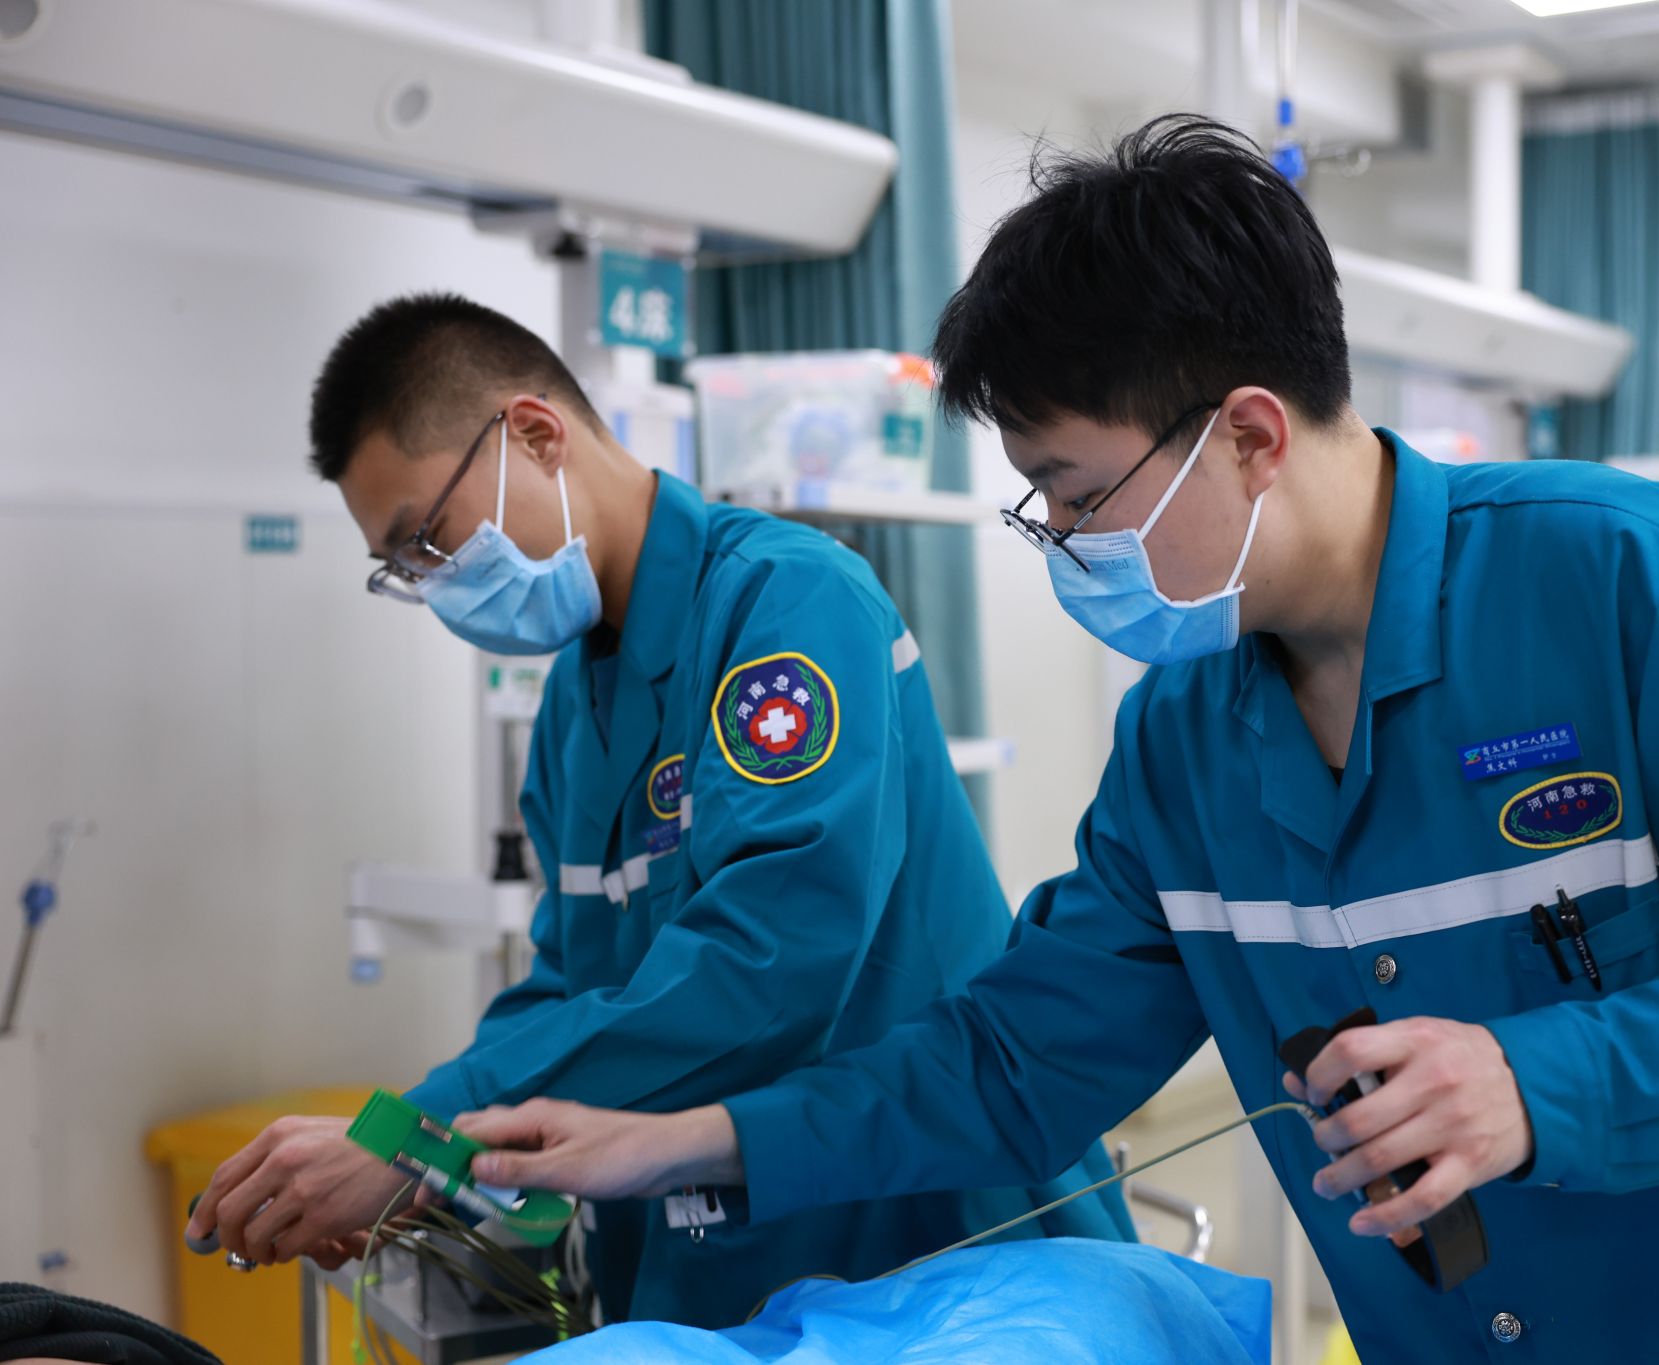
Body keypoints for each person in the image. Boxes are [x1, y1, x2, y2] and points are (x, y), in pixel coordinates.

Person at [453, 118, 1659, 1362]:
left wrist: (1543, 1078)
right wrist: (684, 1142)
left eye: (1077, 494)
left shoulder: (1634, 589)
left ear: (1251, 432)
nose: (1065, 541)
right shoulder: (1187, 748)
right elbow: (1013, 1060)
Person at [182, 294, 1131, 1328]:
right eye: (405, 569)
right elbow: (568, 984)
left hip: (919, 1240)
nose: (438, 585)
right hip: (715, 1261)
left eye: (431, 538)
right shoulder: (574, 707)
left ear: (534, 434)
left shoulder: (786, 603)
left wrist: (422, 1131)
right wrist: (433, 1172)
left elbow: (771, 959)